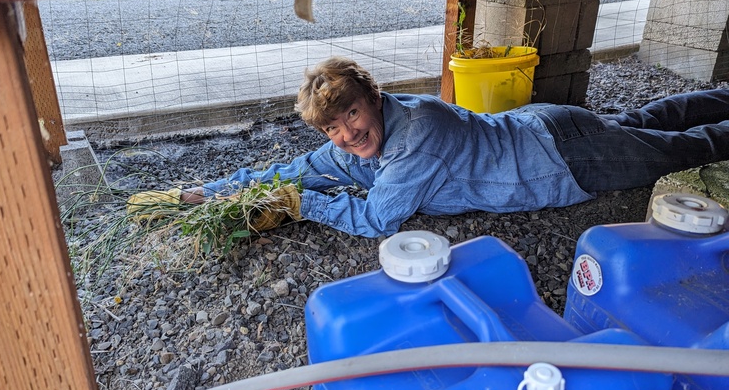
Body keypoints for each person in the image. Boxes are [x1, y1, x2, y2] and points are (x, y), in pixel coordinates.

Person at [127, 56, 729, 238]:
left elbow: (378, 216)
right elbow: (295, 167)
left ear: (372, 96)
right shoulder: (364, 139)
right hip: (545, 125)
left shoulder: (417, 136)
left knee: (681, 148)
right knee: (646, 118)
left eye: (353, 114)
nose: (347, 135)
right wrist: (201, 193)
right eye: (333, 128)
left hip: (562, 158)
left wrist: (299, 205)